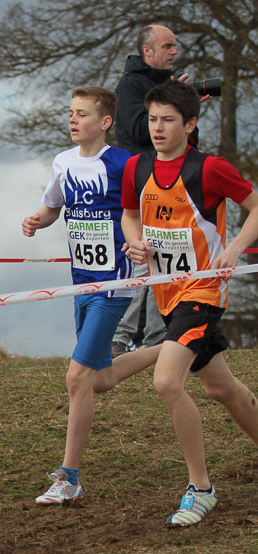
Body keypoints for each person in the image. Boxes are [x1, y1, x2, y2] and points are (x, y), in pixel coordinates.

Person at [121, 80, 258, 526]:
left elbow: (256, 205)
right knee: (221, 388)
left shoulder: (210, 169)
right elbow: (130, 215)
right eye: (152, 120)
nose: (158, 128)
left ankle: (201, 488)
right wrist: (135, 242)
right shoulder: (136, 167)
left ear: (190, 124)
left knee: (166, 382)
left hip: (203, 292)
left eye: (168, 120)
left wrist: (234, 248)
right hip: (166, 293)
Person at [22, 87, 161, 505]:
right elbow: (53, 207)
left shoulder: (125, 164)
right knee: (101, 378)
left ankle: (69, 477)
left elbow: (146, 209)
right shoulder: (63, 162)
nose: (73, 119)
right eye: (71, 113)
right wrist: (37, 220)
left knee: (76, 377)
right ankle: (174, 346)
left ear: (105, 122)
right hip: (81, 282)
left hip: (115, 283)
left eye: (82, 114)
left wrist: (141, 243)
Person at [111, 25, 189, 357]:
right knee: (143, 257)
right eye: (167, 46)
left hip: (175, 178)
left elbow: (182, 137)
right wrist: (171, 102)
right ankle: (121, 335)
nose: (174, 52)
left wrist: (186, 106)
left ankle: (158, 337)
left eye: (175, 46)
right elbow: (140, 131)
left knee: (166, 257)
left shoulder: (164, 84)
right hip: (144, 180)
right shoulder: (130, 85)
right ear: (148, 51)